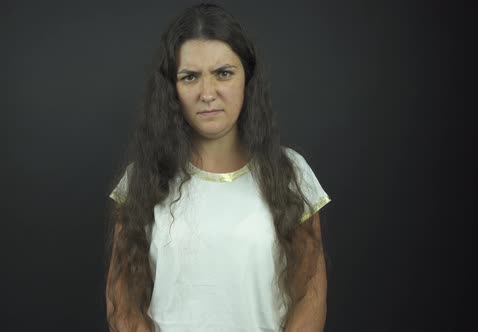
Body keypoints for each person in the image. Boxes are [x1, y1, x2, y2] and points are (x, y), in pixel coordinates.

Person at [105, 3, 331, 331]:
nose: (207, 93)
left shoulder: (290, 174)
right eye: (190, 77)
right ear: (173, 89)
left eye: (223, 73)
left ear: (246, 79)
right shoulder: (143, 178)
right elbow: (122, 301)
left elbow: (310, 294)